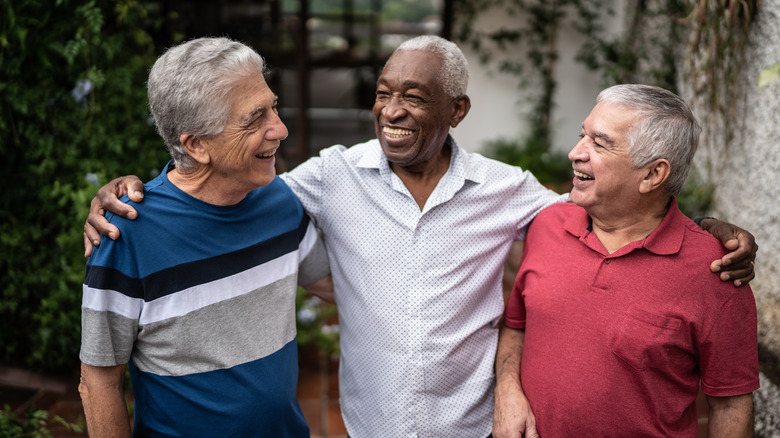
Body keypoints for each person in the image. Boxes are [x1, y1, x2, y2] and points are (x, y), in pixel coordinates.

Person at [83, 37, 758, 437]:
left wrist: (705, 228)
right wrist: (131, 188)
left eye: (414, 96)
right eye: (383, 93)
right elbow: (210, 186)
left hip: (470, 426)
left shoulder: (506, 190)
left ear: (456, 110)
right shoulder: (325, 179)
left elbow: (608, 206)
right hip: (369, 426)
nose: (393, 111)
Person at [78, 37, 332, 438]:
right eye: (255, 118)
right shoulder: (125, 234)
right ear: (196, 145)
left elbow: (340, 287)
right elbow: (99, 383)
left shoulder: (280, 201)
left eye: (273, 107)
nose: (280, 129)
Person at [493, 84, 759, 438]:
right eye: (582, 135)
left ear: (652, 175)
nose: (575, 153)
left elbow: (730, 404)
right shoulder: (547, 225)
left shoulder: (716, 271)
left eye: (600, 144)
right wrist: (506, 388)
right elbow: (516, 325)